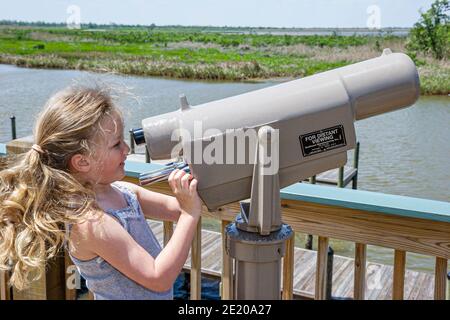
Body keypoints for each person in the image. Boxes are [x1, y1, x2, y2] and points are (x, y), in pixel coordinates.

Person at [0, 86, 202, 299]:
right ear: (83, 161)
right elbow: (158, 277)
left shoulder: (124, 192)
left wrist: (201, 172)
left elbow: (179, 207)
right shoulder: (90, 222)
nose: (127, 149)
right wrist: (189, 215)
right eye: (116, 144)